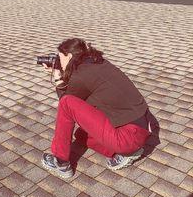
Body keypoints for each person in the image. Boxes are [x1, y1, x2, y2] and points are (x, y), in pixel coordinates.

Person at [41, 38, 151, 179]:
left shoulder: (81, 76)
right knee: (81, 134)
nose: (58, 62)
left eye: (60, 58)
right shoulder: (97, 62)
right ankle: (123, 153)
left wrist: (57, 77)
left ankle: (61, 162)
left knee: (67, 103)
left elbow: (66, 102)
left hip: (127, 136)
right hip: (139, 128)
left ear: (69, 56)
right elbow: (80, 89)